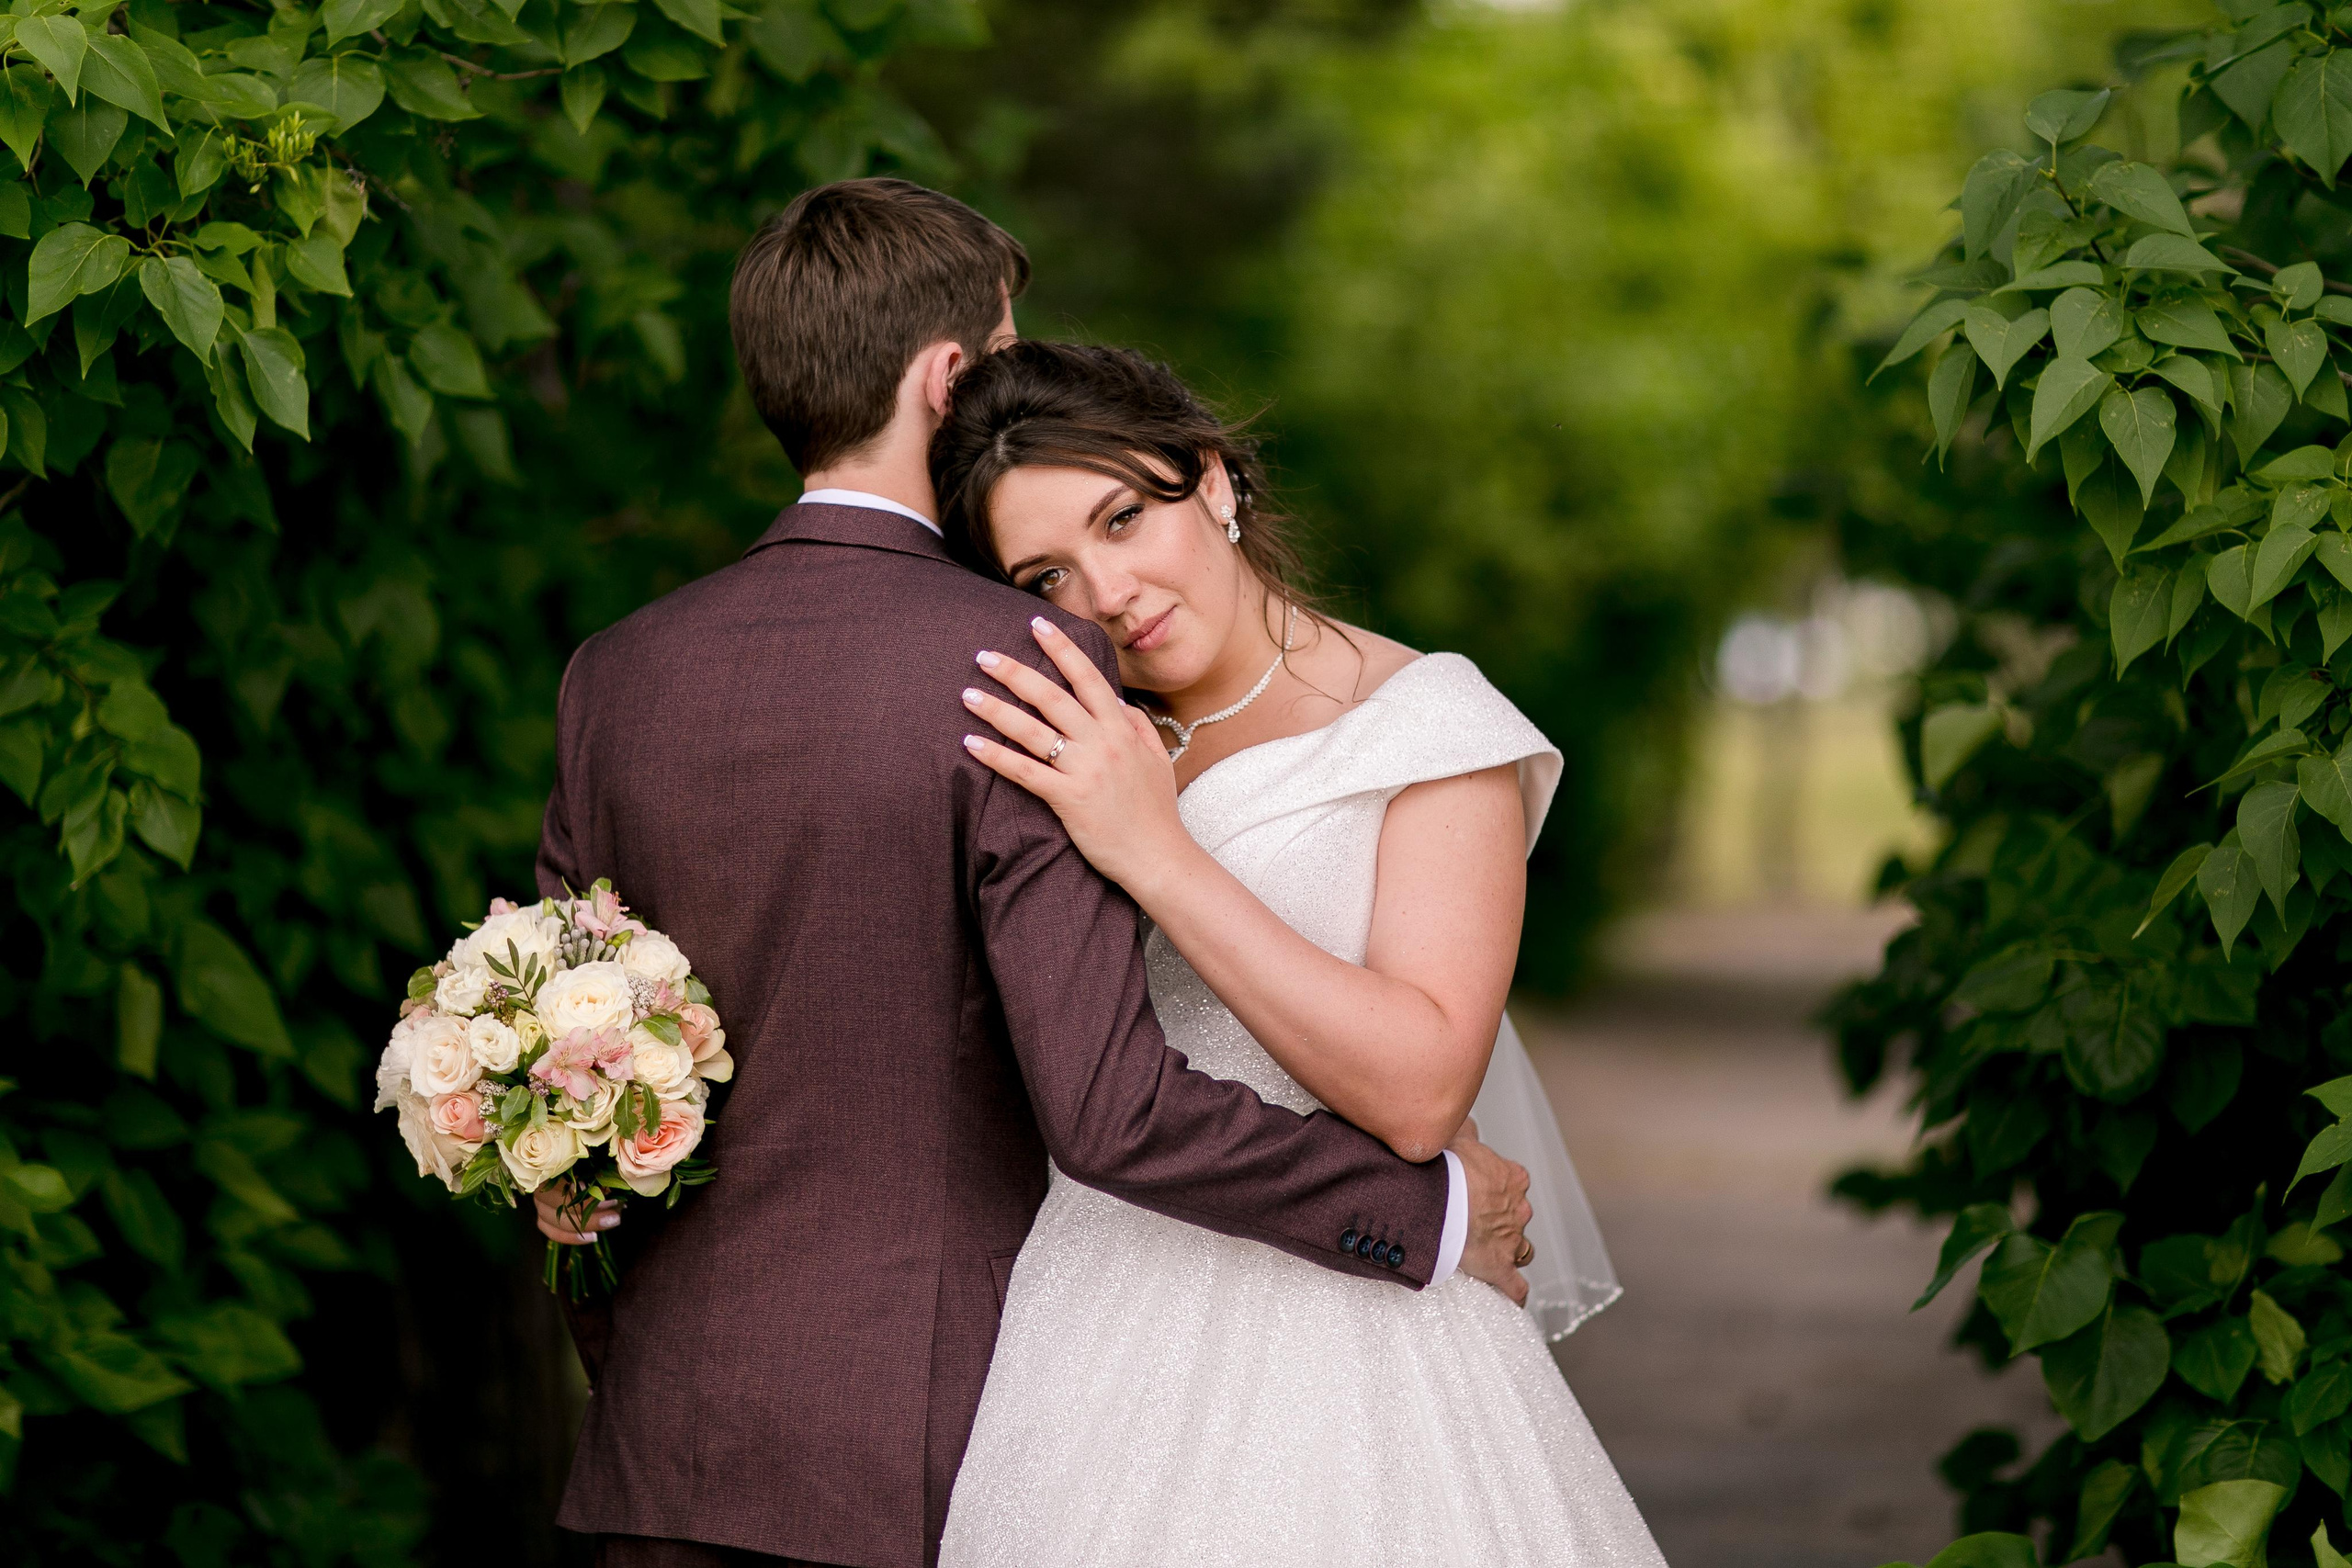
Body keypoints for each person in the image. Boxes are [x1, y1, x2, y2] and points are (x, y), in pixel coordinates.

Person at [531, 178, 1536, 1568]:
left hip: (665, 1446)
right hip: (935, 1427)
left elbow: (559, 1092)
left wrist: (624, 1354)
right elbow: (1110, 1110)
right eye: (1006, 347)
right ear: (949, 376)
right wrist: (1420, 1223)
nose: (1100, 591)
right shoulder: (1023, 671)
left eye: (1125, 522)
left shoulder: (616, 677)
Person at [930, 340, 1662, 1566]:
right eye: (1047, 574)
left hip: (1356, 1331)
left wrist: (1155, 853)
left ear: (1211, 481)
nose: (1105, 592)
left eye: (1124, 519)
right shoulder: (1070, 740)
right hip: (1095, 1320)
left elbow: (1424, 1090)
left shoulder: (1426, 727)